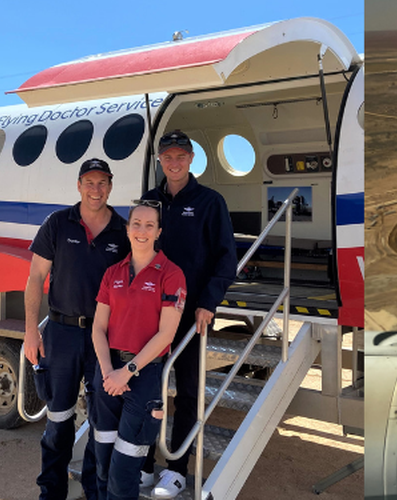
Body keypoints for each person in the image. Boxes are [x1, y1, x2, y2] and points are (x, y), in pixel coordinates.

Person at [24, 158, 132, 500]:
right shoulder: (58, 223)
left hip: (105, 338)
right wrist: (31, 330)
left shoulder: (123, 230)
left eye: (102, 182)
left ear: (111, 186)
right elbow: (35, 278)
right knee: (58, 420)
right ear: (79, 185)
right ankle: (51, 492)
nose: (96, 189)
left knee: (102, 422)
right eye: (89, 182)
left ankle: (93, 489)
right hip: (62, 333)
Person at [139, 130, 238, 499]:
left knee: (187, 392)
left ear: (192, 158)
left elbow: (227, 258)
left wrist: (208, 302)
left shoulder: (211, 202)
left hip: (190, 314)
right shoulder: (148, 201)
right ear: (160, 160)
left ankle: (177, 470)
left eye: (181, 156)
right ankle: (145, 465)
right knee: (148, 388)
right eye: (168, 156)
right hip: (149, 313)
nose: (174, 162)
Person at [89, 203, 186, 500]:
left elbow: (166, 333)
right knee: (102, 467)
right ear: (128, 229)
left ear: (158, 232)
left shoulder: (171, 274)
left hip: (143, 376)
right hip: (107, 374)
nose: (141, 231)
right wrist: (108, 372)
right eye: (136, 224)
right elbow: (98, 328)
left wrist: (127, 372)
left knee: (123, 473)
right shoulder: (112, 273)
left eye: (148, 225)